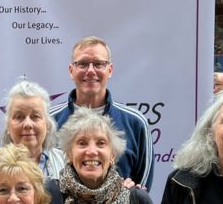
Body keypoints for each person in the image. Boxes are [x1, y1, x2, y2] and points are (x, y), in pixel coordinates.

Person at [49, 36, 154, 190]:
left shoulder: (135, 123)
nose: (91, 71)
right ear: (71, 71)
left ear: (109, 70)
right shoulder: (48, 122)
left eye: (98, 64)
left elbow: (141, 193)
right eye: (83, 64)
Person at [0, 79, 66, 183]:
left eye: (35, 116)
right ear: (7, 126)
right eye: (19, 117)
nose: (28, 124)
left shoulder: (66, 164)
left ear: (47, 125)